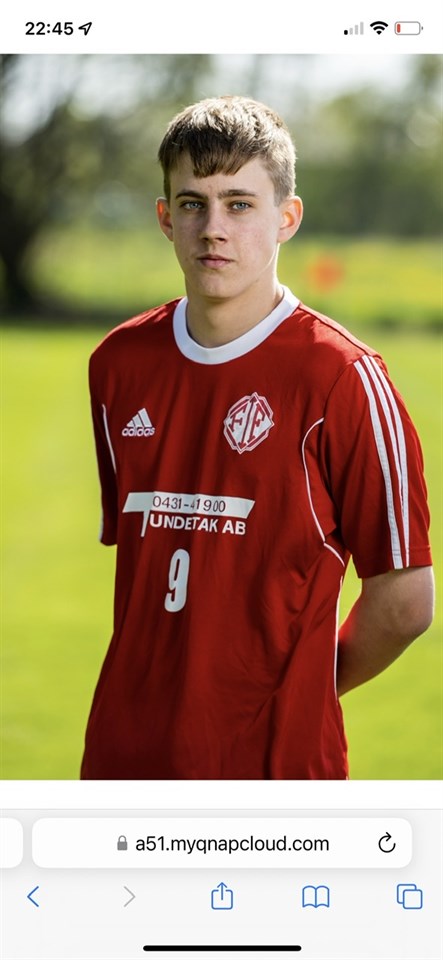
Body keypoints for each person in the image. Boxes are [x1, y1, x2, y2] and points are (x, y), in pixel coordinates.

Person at [81, 96, 434, 780]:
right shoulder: (117, 364)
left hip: (274, 773)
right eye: (192, 203)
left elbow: (404, 603)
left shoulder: (343, 377)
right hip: (120, 764)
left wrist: (297, 695)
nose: (213, 228)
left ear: (286, 218)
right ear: (165, 218)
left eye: (239, 204)